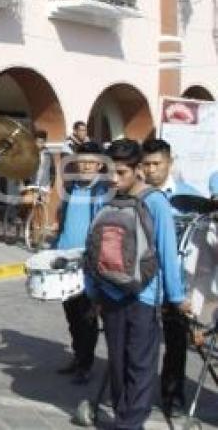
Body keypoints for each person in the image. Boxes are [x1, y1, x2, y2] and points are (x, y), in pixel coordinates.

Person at [84, 139, 187, 429]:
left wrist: (176, 297)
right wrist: (93, 292)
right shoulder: (106, 198)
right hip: (111, 296)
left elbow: (168, 253)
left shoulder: (155, 202)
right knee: (118, 365)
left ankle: (129, 423)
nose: (115, 179)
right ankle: (125, 419)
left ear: (137, 169)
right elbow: (91, 250)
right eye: (111, 173)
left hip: (144, 297)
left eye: (121, 173)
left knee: (139, 367)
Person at [141, 138, 200, 417]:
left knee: (176, 344)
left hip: (175, 283)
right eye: (147, 164)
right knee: (141, 344)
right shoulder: (137, 195)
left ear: (169, 162)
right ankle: (136, 393)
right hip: (144, 283)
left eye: (157, 164)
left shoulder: (189, 197)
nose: (152, 170)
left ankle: (172, 395)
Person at [52, 141, 108, 384]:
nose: (85, 165)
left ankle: (86, 364)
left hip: (88, 265)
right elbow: (63, 222)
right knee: (71, 314)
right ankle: (77, 356)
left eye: (91, 161)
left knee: (87, 317)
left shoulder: (104, 191)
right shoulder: (71, 187)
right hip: (66, 262)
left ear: (99, 164)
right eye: (82, 160)